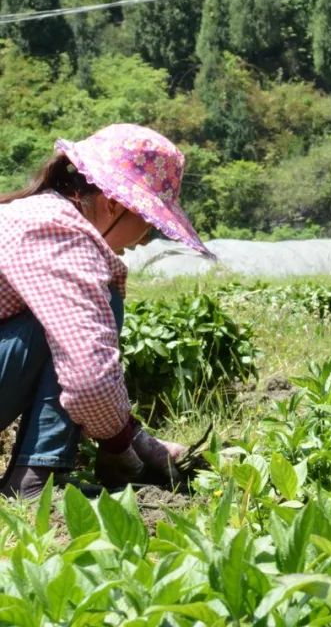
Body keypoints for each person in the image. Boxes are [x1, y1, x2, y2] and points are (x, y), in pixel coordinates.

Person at [0, 123, 212, 498]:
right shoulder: (57, 231)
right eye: (148, 221)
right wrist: (119, 449)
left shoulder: (36, 214)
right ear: (113, 203)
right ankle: (36, 481)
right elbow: (89, 380)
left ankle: (37, 473)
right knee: (72, 322)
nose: (146, 237)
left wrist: (132, 435)